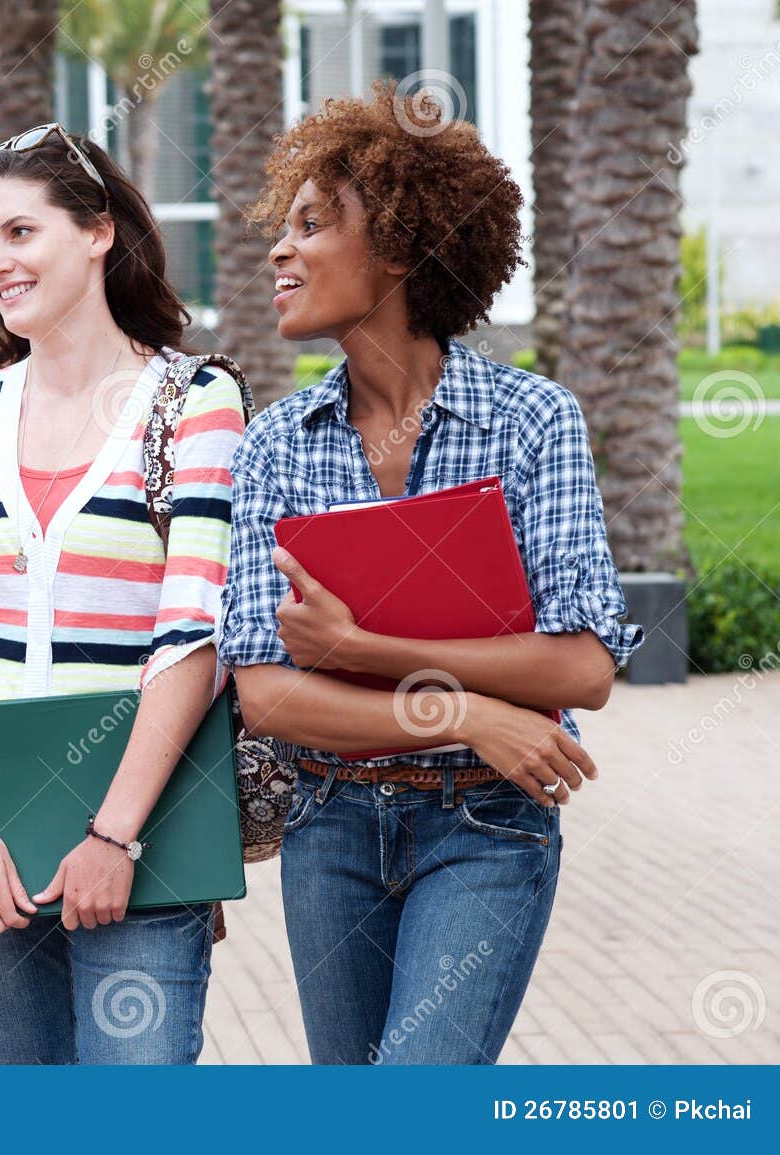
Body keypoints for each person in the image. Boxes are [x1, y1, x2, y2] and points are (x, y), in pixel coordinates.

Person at [219, 84, 643, 1065]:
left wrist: (363, 649)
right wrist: (462, 709)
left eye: (312, 225)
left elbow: (581, 669)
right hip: (329, 831)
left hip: (485, 827)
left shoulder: (532, 423)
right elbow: (270, 694)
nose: (279, 251)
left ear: (402, 247)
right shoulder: (276, 446)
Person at [0, 124, 247, 1064]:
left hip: (143, 836)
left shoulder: (198, 400)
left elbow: (194, 635)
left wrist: (114, 837)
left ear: (96, 233)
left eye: (19, 233)